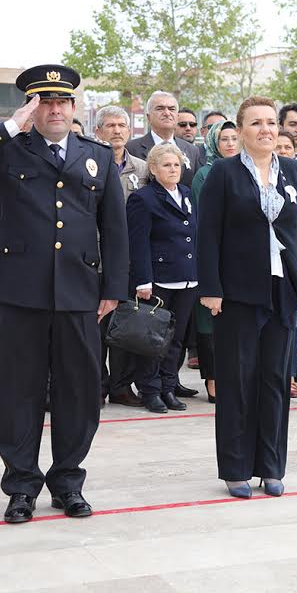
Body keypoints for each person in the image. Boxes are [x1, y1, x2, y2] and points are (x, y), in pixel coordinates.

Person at [0, 64, 128, 524]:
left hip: (81, 293)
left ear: (74, 106)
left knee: (79, 392)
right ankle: (21, 485)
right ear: (31, 106)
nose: (55, 109)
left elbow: (115, 229)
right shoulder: (7, 149)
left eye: (62, 101)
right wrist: (9, 125)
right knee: (20, 392)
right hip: (21, 292)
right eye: (45, 101)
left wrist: (115, 288)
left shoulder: (97, 156)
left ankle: (68, 482)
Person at [197, 96, 297, 498]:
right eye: (256, 123)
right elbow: (208, 234)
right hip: (236, 293)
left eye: (271, 122)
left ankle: (271, 466)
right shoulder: (223, 173)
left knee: (274, 380)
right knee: (237, 380)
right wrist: (210, 288)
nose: (265, 129)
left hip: (284, 291)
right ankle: (235, 467)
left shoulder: (295, 172)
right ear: (241, 129)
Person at [125, 143, 199, 413]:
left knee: (176, 340)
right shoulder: (143, 198)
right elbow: (138, 242)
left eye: (177, 165)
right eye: (167, 165)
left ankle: (168, 387)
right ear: (153, 169)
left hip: (187, 278)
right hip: (159, 279)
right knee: (154, 340)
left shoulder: (187, 194)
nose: (173, 169)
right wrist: (143, 280)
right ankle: (150, 390)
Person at [93, 105, 150, 407]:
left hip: (129, 261)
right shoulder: (87, 164)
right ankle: (96, 385)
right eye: (110, 125)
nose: (117, 130)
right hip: (94, 260)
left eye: (122, 125)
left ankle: (121, 385)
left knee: (126, 326)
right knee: (95, 327)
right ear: (97, 131)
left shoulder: (142, 169)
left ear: (130, 131)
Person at [192, 118, 241, 404]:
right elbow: (203, 221)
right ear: (213, 143)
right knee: (210, 318)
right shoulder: (205, 174)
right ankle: (213, 379)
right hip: (213, 253)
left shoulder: (246, 170)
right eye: (224, 139)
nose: (230, 144)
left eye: (234, 138)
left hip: (240, 257)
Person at [125, 91, 206, 188]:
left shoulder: (192, 151)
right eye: (160, 108)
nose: (167, 113)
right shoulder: (131, 149)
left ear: (177, 116)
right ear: (148, 117)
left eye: (172, 109)